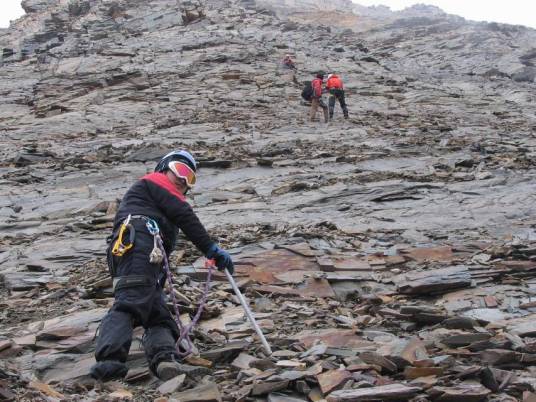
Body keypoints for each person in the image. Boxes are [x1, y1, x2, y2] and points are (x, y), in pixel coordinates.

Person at [90, 150, 234, 382]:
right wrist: (210, 248)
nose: (184, 180)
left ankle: (165, 359)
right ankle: (109, 364)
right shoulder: (154, 182)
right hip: (139, 246)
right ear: (164, 168)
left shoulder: (156, 199)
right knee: (130, 303)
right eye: (180, 170)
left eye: (190, 178)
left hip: (138, 251)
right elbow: (184, 215)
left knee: (156, 312)